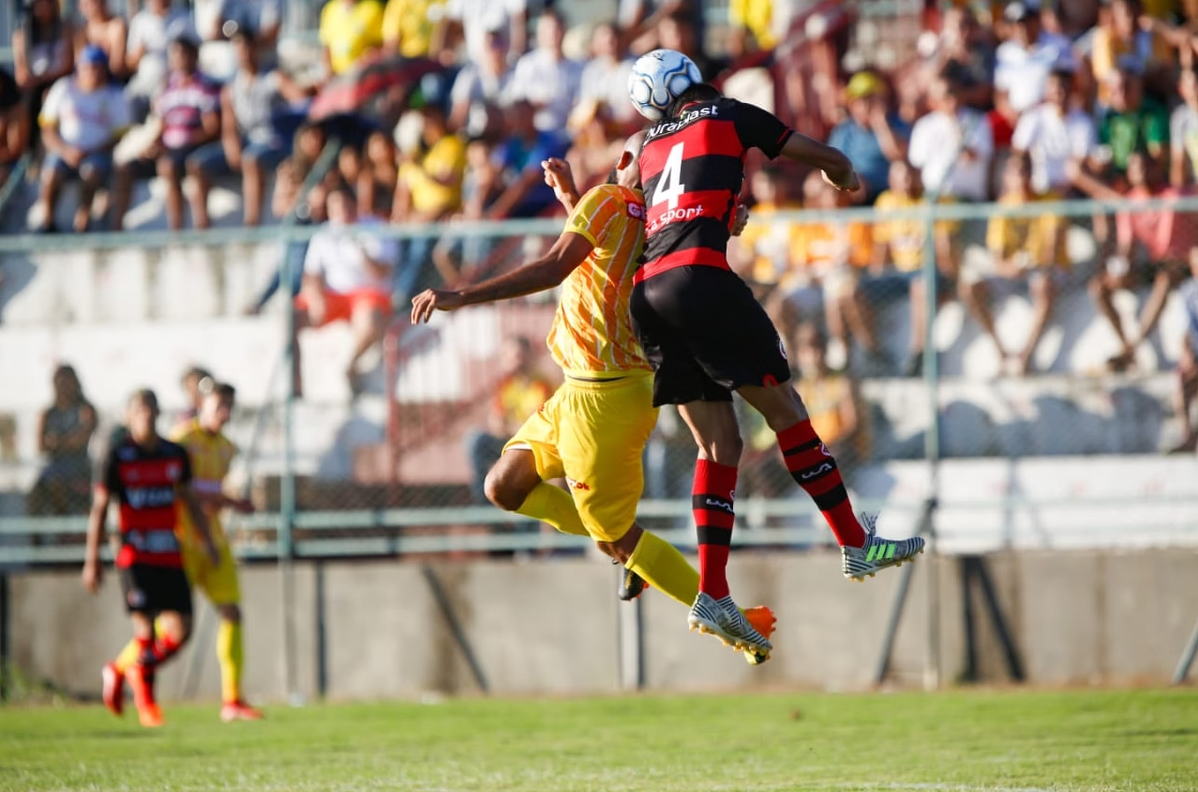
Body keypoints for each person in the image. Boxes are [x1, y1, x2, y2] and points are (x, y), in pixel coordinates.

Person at [411, 152, 778, 662]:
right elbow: (603, 256)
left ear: (630, 164)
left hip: (603, 399)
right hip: (581, 391)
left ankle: (727, 617)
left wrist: (461, 296)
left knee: (617, 538)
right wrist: (569, 197)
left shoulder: (609, 200)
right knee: (505, 484)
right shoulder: (655, 224)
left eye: (632, 153)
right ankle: (644, 562)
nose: (628, 158)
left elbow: (556, 265)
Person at [628, 64, 925, 645]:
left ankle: (713, 593)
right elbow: (827, 158)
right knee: (786, 411)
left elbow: (661, 219)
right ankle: (855, 544)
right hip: (701, 282)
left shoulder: (646, 147)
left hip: (650, 295)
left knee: (718, 445)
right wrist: (844, 178)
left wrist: (720, 218)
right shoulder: (729, 112)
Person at [83, 389, 219, 729]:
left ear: (158, 413)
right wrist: (92, 559)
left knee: (182, 630)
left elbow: (189, 500)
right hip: (134, 554)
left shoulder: (175, 454)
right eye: (140, 410)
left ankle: (122, 669)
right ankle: (147, 707)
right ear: (129, 417)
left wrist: (208, 541)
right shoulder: (117, 456)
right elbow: (100, 509)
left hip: (169, 552)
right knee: (144, 628)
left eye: (151, 409)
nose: (146, 415)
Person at [169, 381, 262, 721]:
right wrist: (232, 501)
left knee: (232, 612)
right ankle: (121, 671)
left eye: (229, 407)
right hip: (182, 540)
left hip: (214, 540)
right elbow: (185, 493)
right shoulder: (180, 440)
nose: (225, 413)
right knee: (174, 630)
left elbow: (211, 494)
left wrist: (232, 501)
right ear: (202, 404)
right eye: (219, 405)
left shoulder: (227, 448)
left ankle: (232, 700)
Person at [961, 153, 1067, 376]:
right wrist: (1010, 269)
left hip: (1043, 271)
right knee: (969, 287)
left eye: (1025, 171)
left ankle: (1025, 356)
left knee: (1043, 284)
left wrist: (1029, 266)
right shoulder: (1003, 208)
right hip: (1014, 273)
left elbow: (1051, 251)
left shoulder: (1051, 201)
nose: (1021, 178)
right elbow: (997, 259)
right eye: (1015, 172)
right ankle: (1001, 352)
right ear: (1006, 177)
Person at [191, 28, 303, 227]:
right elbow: (229, 126)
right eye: (238, 48)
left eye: (246, 47)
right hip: (248, 142)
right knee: (197, 163)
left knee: (251, 159)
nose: (242, 53)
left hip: (274, 141)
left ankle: (251, 223)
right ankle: (202, 227)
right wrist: (231, 146)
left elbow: (301, 101)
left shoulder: (274, 78)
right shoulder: (231, 88)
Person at [294, 187, 396, 397]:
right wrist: (316, 298)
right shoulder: (323, 233)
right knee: (291, 318)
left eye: (346, 205)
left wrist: (360, 249)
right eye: (336, 206)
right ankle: (296, 384)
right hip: (334, 296)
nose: (342, 211)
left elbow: (382, 272)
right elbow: (311, 274)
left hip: (368, 294)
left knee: (369, 320)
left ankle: (350, 366)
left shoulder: (375, 227)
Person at [35, 46, 130, 234]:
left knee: (91, 172)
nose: (93, 71)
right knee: (51, 172)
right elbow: (47, 128)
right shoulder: (63, 88)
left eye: (97, 67)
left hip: (98, 153)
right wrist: (64, 151)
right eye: (89, 67)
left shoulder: (116, 95)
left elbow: (120, 136)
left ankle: (83, 219)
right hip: (64, 151)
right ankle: (47, 221)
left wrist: (90, 150)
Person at [462, 336, 553, 505]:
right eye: (508, 356)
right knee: (476, 440)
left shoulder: (541, 385)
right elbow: (497, 425)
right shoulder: (505, 385)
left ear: (529, 356)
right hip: (509, 442)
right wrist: (514, 427)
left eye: (518, 355)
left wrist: (512, 426)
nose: (513, 361)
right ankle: (484, 504)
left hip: (534, 448)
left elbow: (538, 429)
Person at [28, 364, 97, 517]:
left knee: (58, 484)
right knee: (34, 495)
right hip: (53, 467)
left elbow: (82, 440)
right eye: (59, 381)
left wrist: (56, 442)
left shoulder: (85, 409)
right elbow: (40, 446)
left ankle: (65, 532)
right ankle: (38, 538)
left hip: (79, 468)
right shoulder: (47, 413)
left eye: (67, 381)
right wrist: (66, 441)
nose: (63, 386)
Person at [1170, 251, 1198, 453]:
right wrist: (1187, 354)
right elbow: (1185, 331)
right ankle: (1187, 436)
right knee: (1181, 381)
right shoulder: (1188, 291)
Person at [320, 0, 385, 77]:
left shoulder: (373, 8)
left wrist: (369, 57)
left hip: (364, 76)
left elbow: (383, 45)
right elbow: (326, 45)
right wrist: (329, 72)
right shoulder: (329, 9)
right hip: (338, 76)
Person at [75, 0, 129, 80]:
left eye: (91, 3)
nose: (88, 8)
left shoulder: (116, 26)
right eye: (84, 5)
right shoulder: (81, 31)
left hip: (111, 83)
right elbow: (78, 63)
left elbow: (116, 66)